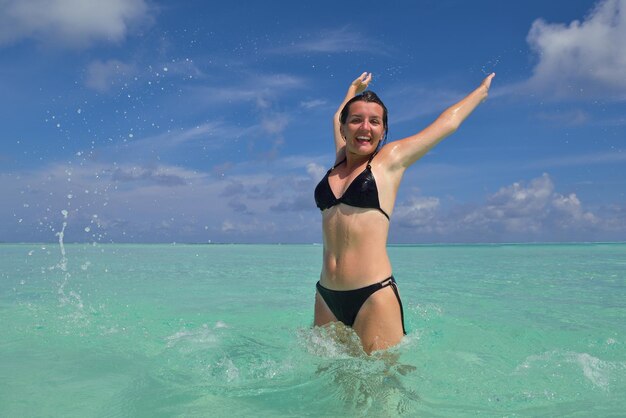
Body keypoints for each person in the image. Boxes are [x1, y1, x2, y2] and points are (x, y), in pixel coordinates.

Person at [314, 71, 495, 354]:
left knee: (381, 390)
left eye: (375, 122)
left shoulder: (389, 161)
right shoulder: (338, 164)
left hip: (372, 294)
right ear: (344, 128)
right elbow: (336, 114)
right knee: (328, 383)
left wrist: (480, 93)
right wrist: (351, 88)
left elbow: (447, 123)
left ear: (383, 131)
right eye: (356, 120)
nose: (365, 127)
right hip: (326, 296)